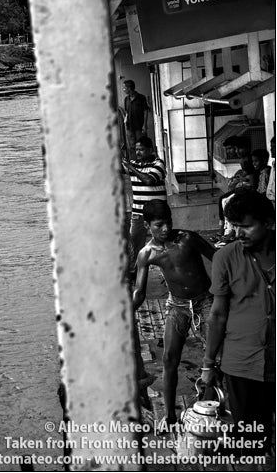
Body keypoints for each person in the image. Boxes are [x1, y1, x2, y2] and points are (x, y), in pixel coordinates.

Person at [200, 190, 275, 459]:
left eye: (245, 226)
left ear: (269, 222)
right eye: (234, 226)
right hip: (242, 363)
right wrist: (208, 365)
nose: (238, 233)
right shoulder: (225, 258)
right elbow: (218, 314)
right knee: (252, 438)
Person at [131, 199, 216, 428]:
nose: (166, 229)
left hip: (205, 301)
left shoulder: (187, 238)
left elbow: (218, 258)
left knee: (214, 357)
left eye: (168, 222)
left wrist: (224, 293)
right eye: (159, 225)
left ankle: (207, 408)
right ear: (148, 226)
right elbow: (139, 293)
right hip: (177, 306)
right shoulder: (146, 254)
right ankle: (169, 416)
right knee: (169, 358)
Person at [123, 136, 168, 274]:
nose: (138, 153)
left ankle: (167, 271)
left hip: (157, 213)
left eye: (141, 149)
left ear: (150, 150)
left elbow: (148, 180)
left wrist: (130, 167)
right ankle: (134, 272)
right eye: (136, 150)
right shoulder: (134, 164)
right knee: (135, 244)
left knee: (162, 244)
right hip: (138, 214)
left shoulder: (158, 164)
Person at [120, 79, 149, 156]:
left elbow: (145, 111)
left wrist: (145, 125)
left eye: (124, 88)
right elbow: (127, 112)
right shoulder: (126, 99)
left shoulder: (141, 97)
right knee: (132, 146)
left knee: (141, 145)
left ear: (129, 88)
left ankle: (143, 163)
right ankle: (134, 163)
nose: (123, 90)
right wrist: (125, 120)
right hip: (130, 127)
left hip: (139, 126)